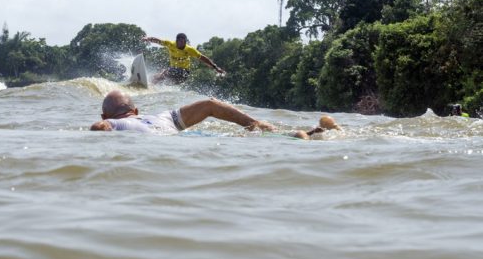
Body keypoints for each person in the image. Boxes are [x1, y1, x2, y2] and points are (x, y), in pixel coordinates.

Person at [90, 90, 340, 139]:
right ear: (135, 111)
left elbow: (100, 129)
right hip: (180, 135)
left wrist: (97, 127)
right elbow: (210, 105)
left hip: (177, 144)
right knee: (259, 137)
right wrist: (254, 122)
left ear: (105, 114)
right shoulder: (163, 116)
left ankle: (301, 136)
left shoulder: (110, 123)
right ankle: (312, 131)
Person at [143, 33, 225, 84]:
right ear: (177, 41)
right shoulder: (170, 44)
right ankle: (148, 84)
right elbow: (158, 41)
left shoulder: (189, 49)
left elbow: (203, 58)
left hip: (184, 73)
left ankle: (150, 83)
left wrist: (215, 67)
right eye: (181, 42)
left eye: (184, 42)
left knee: (163, 73)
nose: (183, 44)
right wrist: (148, 38)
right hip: (174, 72)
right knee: (160, 77)